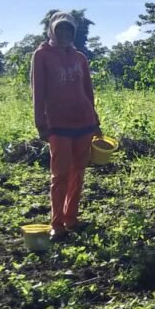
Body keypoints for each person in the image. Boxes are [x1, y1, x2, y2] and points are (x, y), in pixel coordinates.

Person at [30, 12, 101, 239]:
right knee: (59, 175)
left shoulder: (79, 57)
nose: (64, 33)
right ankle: (57, 224)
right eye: (60, 28)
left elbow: (88, 91)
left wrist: (95, 120)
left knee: (78, 172)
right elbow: (38, 91)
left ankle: (71, 219)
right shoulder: (42, 55)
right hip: (58, 123)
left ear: (73, 32)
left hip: (83, 121)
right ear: (52, 30)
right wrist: (41, 123)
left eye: (68, 29)